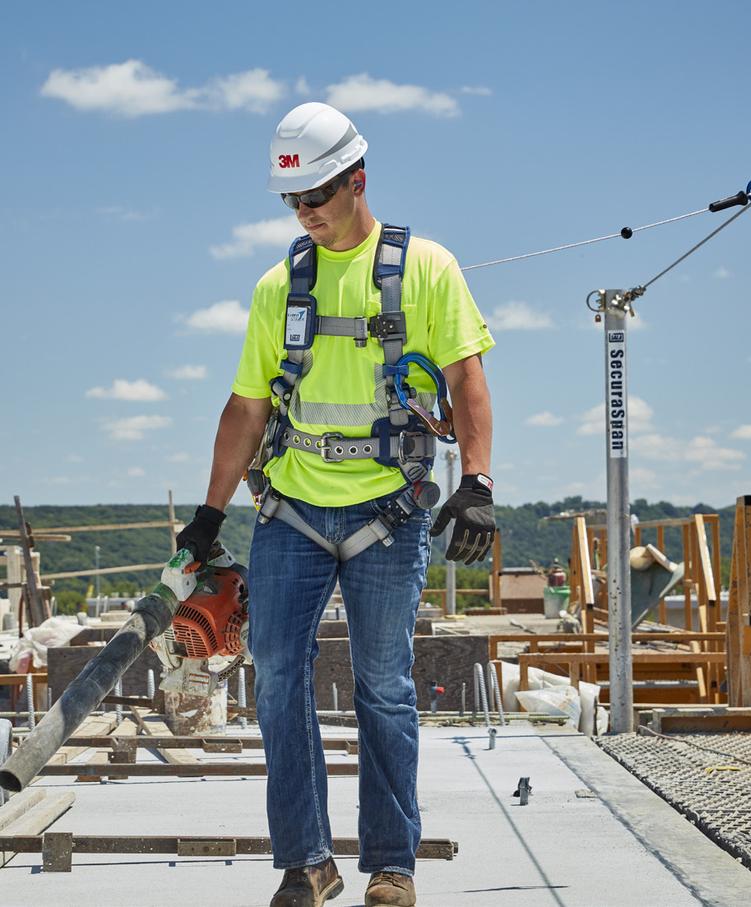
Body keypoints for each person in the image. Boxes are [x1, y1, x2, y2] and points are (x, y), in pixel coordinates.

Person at [176, 101, 496, 907]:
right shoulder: (278, 287)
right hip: (291, 511)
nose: (307, 212)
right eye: (294, 201)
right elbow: (246, 407)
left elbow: (467, 382)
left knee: (382, 683)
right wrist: (210, 513)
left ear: (358, 178)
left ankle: (392, 863)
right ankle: (306, 861)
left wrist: (479, 481)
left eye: (318, 194)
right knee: (277, 671)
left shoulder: (428, 268)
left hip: (388, 513)